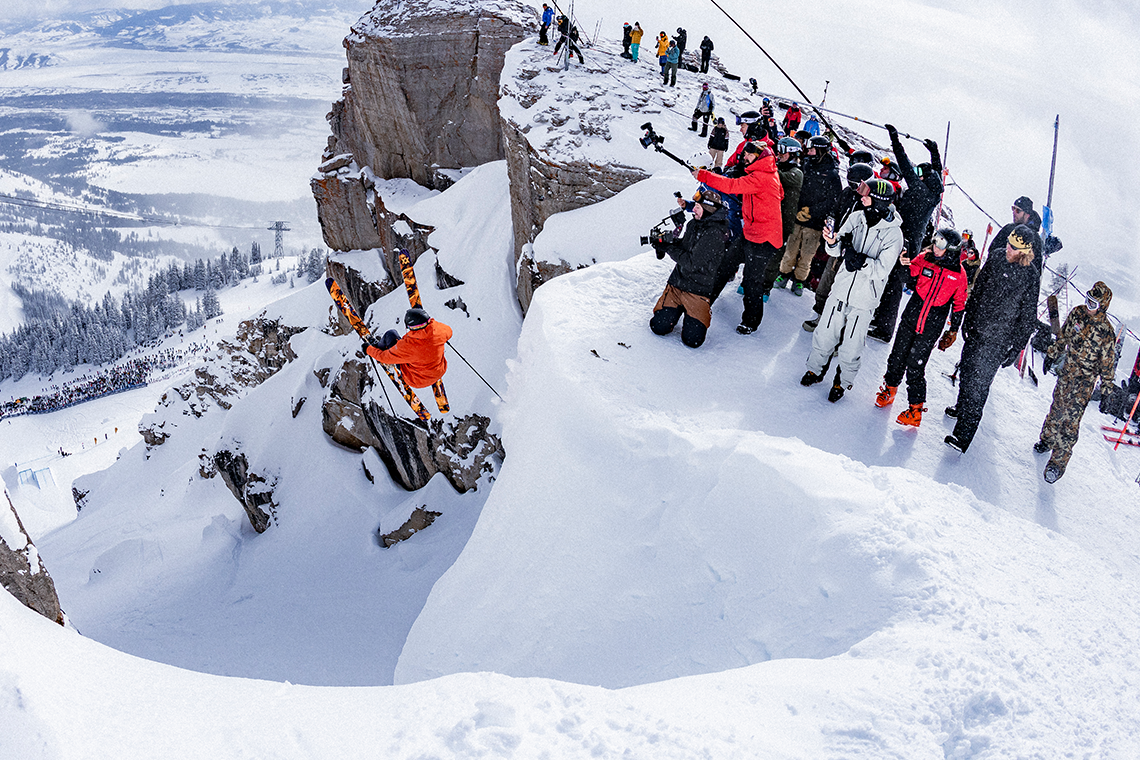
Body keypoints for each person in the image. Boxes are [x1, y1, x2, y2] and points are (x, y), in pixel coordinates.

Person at [801, 179, 903, 402]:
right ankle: (815, 370)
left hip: (864, 298)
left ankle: (842, 381)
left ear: (879, 200)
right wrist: (831, 242)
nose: (862, 197)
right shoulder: (857, 217)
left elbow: (882, 270)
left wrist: (859, 260)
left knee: (852, 344)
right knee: (825, 333)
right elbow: (838, 249)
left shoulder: (894, 234)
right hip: (841, 288)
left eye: (867, 194)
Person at [944, 225, 1042, 452]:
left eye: (1014, 247)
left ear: (1024, 252)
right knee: (967, 371)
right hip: (978, 327)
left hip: (999, 339)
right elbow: (978, 289)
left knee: (979, 386)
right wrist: (967, 319)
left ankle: (962, 435)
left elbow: (1028, 316)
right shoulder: (997, 257)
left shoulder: (1030, 276)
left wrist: (1016, 347)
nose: (1008, 248)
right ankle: (961, 407)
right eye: (1008, 243)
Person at [874, 228, 969, 427]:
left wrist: (953, 330)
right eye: (935, 240)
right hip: (912, 315)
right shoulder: (925, 258)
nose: (935, 246)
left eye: (941, 244)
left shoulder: (959, 275)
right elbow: (909, 275)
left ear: (951, 249)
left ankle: (915, 409)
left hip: (932, 324)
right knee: (897, 355)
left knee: (916, 364)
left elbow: (959, 304)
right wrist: (903, 264)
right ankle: (890, 389)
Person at [695, 141, 785, 334]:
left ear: (759, 156)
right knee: (725, 265)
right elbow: (779, 194)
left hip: (764, 238)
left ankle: (751, 322)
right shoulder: (763, 173)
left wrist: (703, 175)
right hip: (750, 231)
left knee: (752, 280)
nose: (745, 157)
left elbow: (731, 186)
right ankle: (705, 301)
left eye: (748, 155)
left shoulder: (762, 177)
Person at [866, 124, 944, 343]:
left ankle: (884, 328)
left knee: (892, 284)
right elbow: (937, 174)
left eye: (920, 173)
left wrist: (895, 139)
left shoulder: (920, 189)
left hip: (904, 242)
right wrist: (935, 153)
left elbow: (904, 163)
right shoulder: (934, 194)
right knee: (893, 282)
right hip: (912, 243)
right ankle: (881, 321)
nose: (916, 175)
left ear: (924, 177)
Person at [1035, 282, 1117, 483]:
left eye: (1093, 304)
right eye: (1088, 300)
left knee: (1070, 422)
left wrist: (1106, 390)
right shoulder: (1077, 313)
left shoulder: (1106, 332)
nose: (1088, 306)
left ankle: (1056, 465)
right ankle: (1047, 440)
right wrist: (1052, 353)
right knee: (1057, 409)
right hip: (1067, 372)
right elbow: (1063, 336)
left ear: (1102, 307)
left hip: (1084, 383)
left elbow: (1107, 364)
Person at [649, 191, 731, 348]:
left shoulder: (715, 234)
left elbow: (692, 262)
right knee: (658, 327)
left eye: (697, 207)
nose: (693, 210)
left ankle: (693, 312)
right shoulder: (693, 224)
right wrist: (666, 242)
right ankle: (675, 309)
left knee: (693, 340)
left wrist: (668, 248)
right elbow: (685, 246)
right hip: (677, 283)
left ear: (708, 209)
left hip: (697, 290)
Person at [802, 162, 875, 331]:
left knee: (842, 288)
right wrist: (831, 222)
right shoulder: (848, 193)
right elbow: (836, 210)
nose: (854, 188)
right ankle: (820, 313)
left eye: (856, 184)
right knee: (827, 280)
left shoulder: (869, 201)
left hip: (853, 250)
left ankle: (837, 324)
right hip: (837, 244)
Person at [773, 135, 841, 296]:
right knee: (790, 249)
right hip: (797, 217)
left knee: (807, 254)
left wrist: (812, 211)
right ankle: (783, 273)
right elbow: (796, 189)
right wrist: (797, 208)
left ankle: (799, 280)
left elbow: (833, 201)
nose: (808, 153)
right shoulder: (805, 165)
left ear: (820, 151)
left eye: (811, 150)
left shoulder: (831, 174)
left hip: (815, 223)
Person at [364, 308, 452, 389]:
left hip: (416, 380)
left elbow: (384, 357)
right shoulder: (440, 330)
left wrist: (368, 349)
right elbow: (449, 332)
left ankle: (377, 347)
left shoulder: (409, 346)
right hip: (439, 371)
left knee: (391, 334)